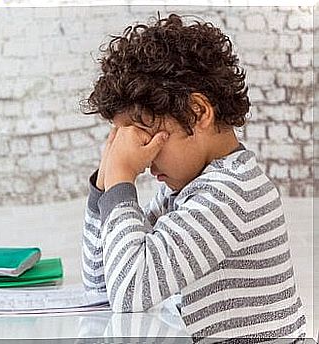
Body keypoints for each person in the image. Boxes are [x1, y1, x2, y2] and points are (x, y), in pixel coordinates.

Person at [79, 13, 306, 342]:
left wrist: (121, 180)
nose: (144, 157)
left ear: (197, 112)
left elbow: (129, 293)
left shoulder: (231, 193)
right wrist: (105, 183)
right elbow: (103, 286)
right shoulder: (185, 189)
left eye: (145, 135)